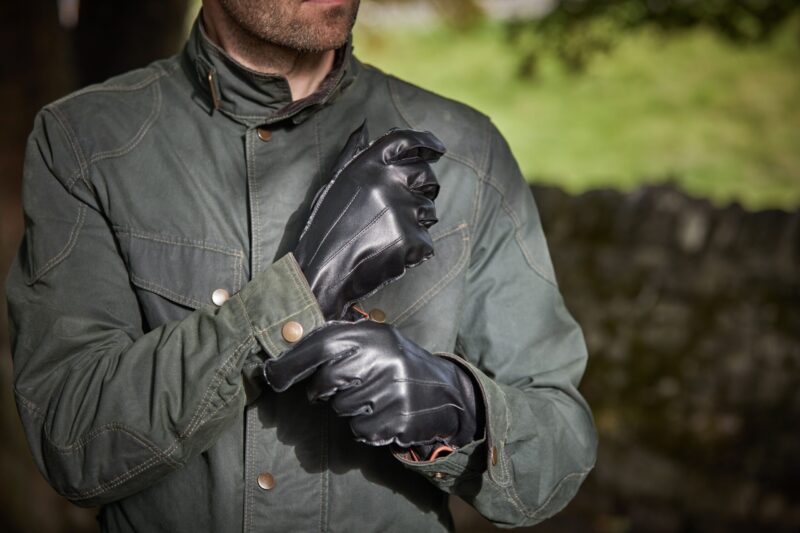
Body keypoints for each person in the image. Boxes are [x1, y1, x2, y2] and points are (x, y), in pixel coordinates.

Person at [6, 0, 597, 531]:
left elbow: (559, 456)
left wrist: (458, 407)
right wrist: (301, 294)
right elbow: (75, 445)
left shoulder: (467, 150)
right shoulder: (85, 143)